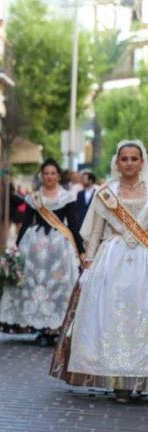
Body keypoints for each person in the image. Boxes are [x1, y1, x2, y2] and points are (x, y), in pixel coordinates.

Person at [51, 140, 148, 403]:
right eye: (124, 158)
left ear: (142, 162)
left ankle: (141, 376)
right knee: (114, 318)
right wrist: (89, 261)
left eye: (134, 158)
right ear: (117, 162)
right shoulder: (106, 193)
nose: (129, 163)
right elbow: (94, 231)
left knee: (142, 317)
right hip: (112, 259)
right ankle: (120, 381)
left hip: (144, 259)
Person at [0, 159, 84, 346]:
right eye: (46, 173)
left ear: (58, 176)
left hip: (60, 249)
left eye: (53, 173)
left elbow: (74, 226)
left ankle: (56, 327)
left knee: (58, 285)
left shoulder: (67, 197)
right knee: (36, 284)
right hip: (35, 248)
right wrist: (15, 250)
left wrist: (82, 251)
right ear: (41, 176)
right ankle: (41, 328)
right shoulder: (34, 198)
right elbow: (25, 224)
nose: (49, 177)